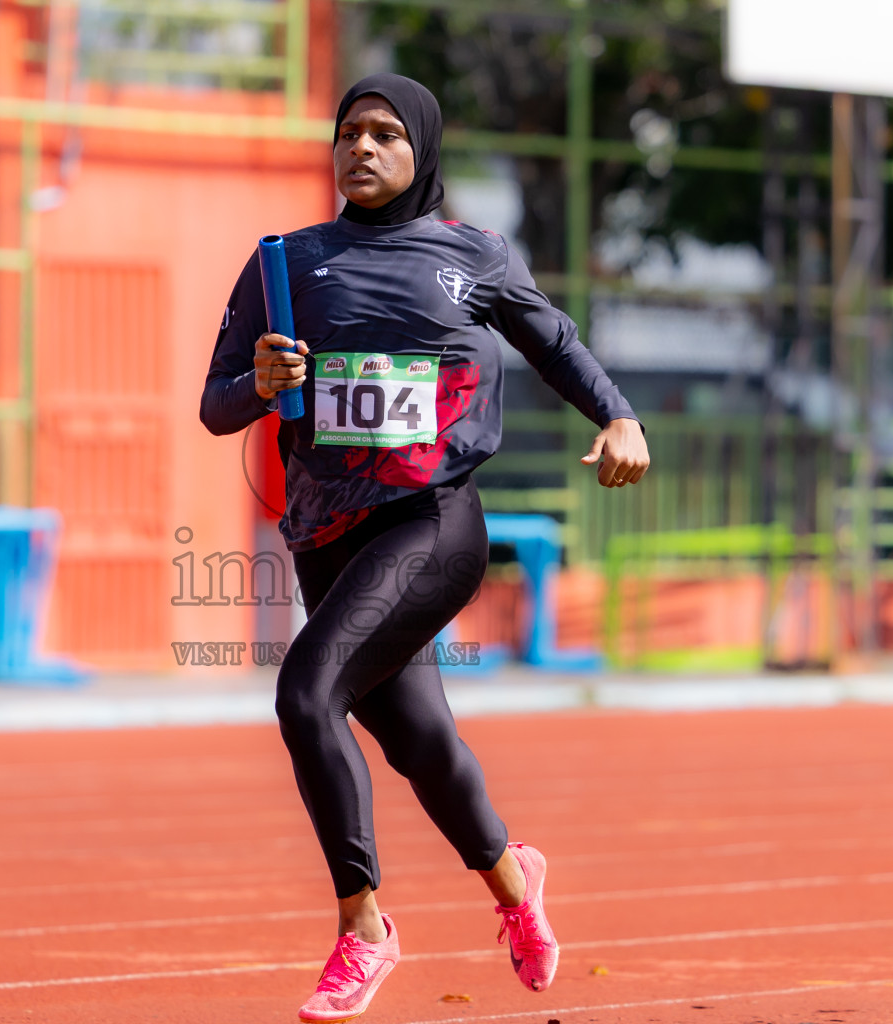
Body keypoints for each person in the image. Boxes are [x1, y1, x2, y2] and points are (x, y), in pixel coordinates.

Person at [200, 72, 649, 1023]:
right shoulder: (286, 262)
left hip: (432, 523)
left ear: (422, 154)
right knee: (422, 744)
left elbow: (556, 341)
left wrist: (617, 416)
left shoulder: (472, 256)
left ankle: (363, 929)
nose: (361, 149)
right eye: (348, 133)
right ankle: (515, 886)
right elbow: (217, 404)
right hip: (327, 534)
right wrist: (261, 379)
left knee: (305, 692)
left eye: (384, 135)